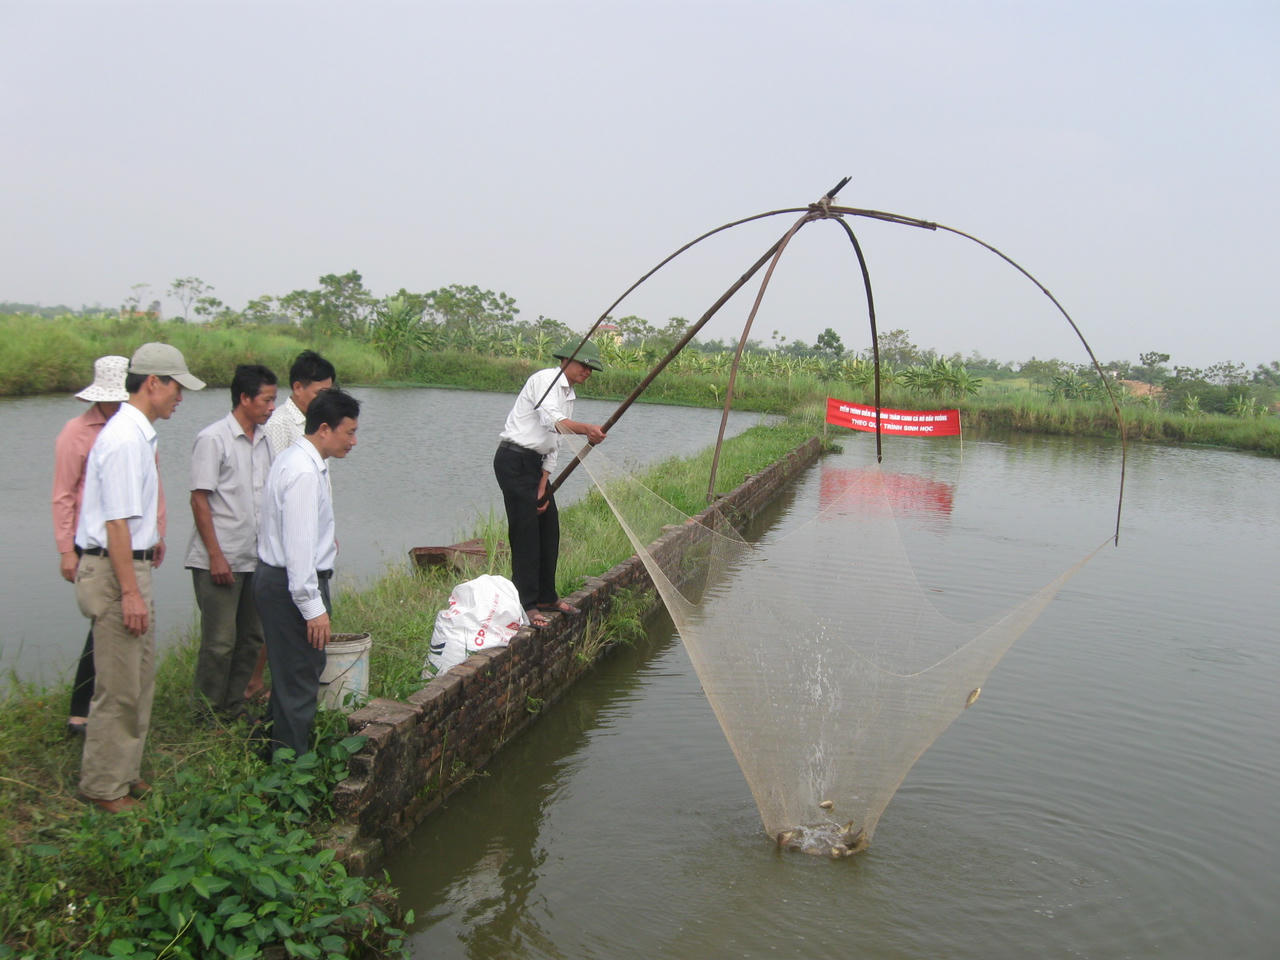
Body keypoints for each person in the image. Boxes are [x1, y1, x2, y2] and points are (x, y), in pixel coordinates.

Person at [74, 343, 204, 813]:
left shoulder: (136, 433)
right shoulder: (126, 438)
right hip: (114, 571)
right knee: (118, 683)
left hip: (127, 565)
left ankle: (124, 772)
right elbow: (116, 525)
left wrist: (150, 543)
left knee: (138, 676)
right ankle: (102, 786)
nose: (180, 399)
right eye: (177, 388)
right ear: (153, 383)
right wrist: (130, 591)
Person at [255, 388, 360, 758]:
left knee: (290, 672)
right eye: (349, 432)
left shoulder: (299, 460)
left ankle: (267, 749)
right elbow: (298, 550)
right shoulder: (302, 471)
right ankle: (290, 771)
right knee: (300, 677)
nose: (354, 441)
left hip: (282, 579)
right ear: (325, 429)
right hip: (292, 585)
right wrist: (312, 607)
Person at [493, 340, 607, 629]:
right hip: (514, 461)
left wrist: (544, 481)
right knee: (526, 534)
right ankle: (526, 604)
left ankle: (546, 597)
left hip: (534, 466)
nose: (588, 372)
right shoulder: (545, 380)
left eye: (591, 369)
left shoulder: (569, 394)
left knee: (549, 528)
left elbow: (553, 443)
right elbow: (551, 421)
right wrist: (586, 430)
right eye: (584, 365)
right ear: (567, 360)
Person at [187, 364, 277, 723]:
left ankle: (234, 707)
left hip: (255, 559)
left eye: (274, 400)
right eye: (267, 400)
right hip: (219, 560)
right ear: (244, 398)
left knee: (251, 638)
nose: (272, 407)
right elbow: (199, 499)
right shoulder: (213, 439)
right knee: (220, 642)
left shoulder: (266, 440)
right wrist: (215, 557)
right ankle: (206, 713)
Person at [263, 350, 336, 457]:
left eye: (329, 393)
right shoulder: (278, 424)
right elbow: (275, 470)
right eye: (320, 393)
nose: (326, 399)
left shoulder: (320, 421)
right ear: (298, 388)